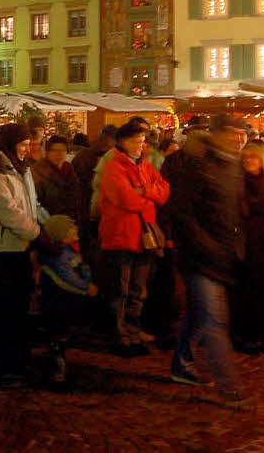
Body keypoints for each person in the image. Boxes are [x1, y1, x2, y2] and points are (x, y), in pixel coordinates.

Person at [169, 115, 248, 408]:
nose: (238, 139)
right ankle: (230, 387)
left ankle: (182, 363)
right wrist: (207, 247)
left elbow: (233, 213)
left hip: (221, 255)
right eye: (232, 133)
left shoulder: (232, 165)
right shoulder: (197, 165)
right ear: (215, 135)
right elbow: (183, 213)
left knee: (198, 316)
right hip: (199, 257)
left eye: (242, 135)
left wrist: (236, 247)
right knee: (215, 320)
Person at [0, 122, 48, 382]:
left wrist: (45, 224)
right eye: (23, 144)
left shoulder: (20, 170)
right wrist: (37, 234)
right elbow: (8, 212)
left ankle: (15, 360)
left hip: (17, 247)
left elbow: (30, 204)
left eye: (28, 144)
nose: (27, 149)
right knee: (0, 311)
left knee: (17, 308)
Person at [97, 121, 169, 355]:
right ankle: (119, 336)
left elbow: (165, 190)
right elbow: (126, 200)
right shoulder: (113, 167)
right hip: (120, 236)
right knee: (120, 290)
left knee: (138, 290)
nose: (141, 145)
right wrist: (150, 198)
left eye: (143, 141)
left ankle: (133, 332)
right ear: (123, 142)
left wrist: (145, 192)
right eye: (137, 141)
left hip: (142, 237)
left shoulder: (145, 165)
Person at [233, 142, 264, 355]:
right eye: (246, 159)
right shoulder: (239, 184)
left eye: (253, 157)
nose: (249, 162)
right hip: (247, 243)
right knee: (247, 292)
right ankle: (246, 336)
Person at [37, 215, 97, 384]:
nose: (76, 229)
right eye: (71, 227)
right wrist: (86, 287)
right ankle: (57, 369)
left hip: (66, 302)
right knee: (58, 334)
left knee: (63, 333)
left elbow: (80, 268)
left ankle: (59, 364)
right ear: (61, 234)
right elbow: (66, 277)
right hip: (59, 302)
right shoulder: (58, 256)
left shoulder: (69, 251)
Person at [31, 134, 86, 228]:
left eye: (62, 150)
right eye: (54, 150)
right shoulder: (38, 171)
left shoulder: (69, 169)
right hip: (51, 225)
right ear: (47, 152)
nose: (59, 154)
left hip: (71, 223)